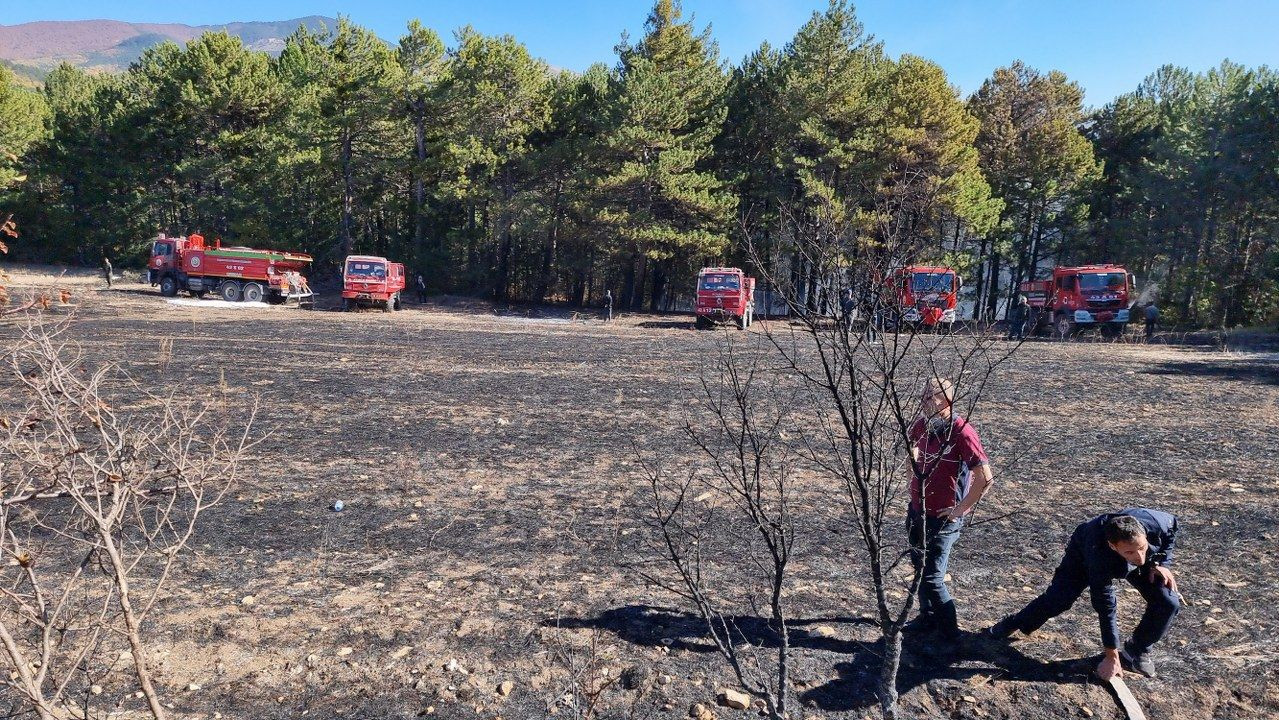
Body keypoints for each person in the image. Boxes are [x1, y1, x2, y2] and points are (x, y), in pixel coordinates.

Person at [986, 509, 1180, 679]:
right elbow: (1105, 606)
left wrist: (1161, 563)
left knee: (1168, 601)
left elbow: (1171, 530)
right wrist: (1111, 656)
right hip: (1082, 553)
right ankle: (1014, 623)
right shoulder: (1098, 554)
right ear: (1113, 546)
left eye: (1142, 548)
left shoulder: (1156, 523)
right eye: (1131, 552)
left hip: (1135, 554)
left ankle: (1136, 652)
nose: (1139, 557)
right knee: (1058, 600)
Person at [905, 378, 995, 640]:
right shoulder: (921, 426)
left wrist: (960, 510)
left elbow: (985, 478)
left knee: (933, 578)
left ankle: (951, 636)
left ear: (946, 400)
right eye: (922, 396)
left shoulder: (962, 431)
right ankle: (926, 617)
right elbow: (912, 448)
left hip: (943, 519)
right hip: (917, 512)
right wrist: (913, 468)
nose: (923, 401)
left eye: (929, 397)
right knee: (920, 569)